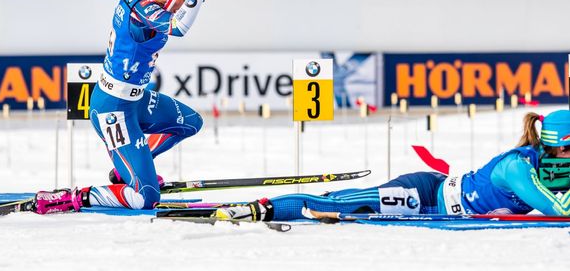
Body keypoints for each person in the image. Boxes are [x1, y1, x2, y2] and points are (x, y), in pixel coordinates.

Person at [33, 0, 219, 214]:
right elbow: (180, 27)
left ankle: (127, 167)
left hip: (135, 100)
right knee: (145, 197)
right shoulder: (143, 9)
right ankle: (76, 197)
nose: (182, 0)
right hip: (112, 110)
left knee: (190, 122)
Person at [215, 110, 570, 222]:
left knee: (353, 209)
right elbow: (554, 207)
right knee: (344, 205)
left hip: (443, 202)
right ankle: (261, 209)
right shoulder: (518, 167)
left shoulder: (546, 165)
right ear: (559, 145)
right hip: (426, 192)